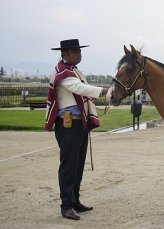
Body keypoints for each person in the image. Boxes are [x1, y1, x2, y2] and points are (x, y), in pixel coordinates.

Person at [45, 39, 109, 220]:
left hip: (78, 124)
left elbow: (82, 91)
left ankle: (74, 201)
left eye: (79, 51)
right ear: (64, 53)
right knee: (68, 166)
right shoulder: (63, 73)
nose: (79, 54)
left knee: (78, 165)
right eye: (75, 51)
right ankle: (66, 205)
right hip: (68, 125)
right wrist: (104, 91)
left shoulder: (73, 71)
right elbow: (80, 88)